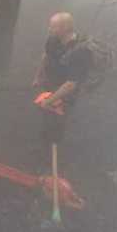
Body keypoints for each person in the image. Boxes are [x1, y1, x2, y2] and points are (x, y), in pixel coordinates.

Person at [32, 12, 92, 144]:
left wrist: (50, 101)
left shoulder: (80, 51)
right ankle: (45, 140)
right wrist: (38, 75)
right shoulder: (53, 40)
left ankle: (53, 145)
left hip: (66, 91)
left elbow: (71, 84)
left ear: (65, 28)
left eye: (53, 27)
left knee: (58, 119)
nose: (49, 29)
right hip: (50, 83)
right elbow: (46, 56)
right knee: (47, 116)